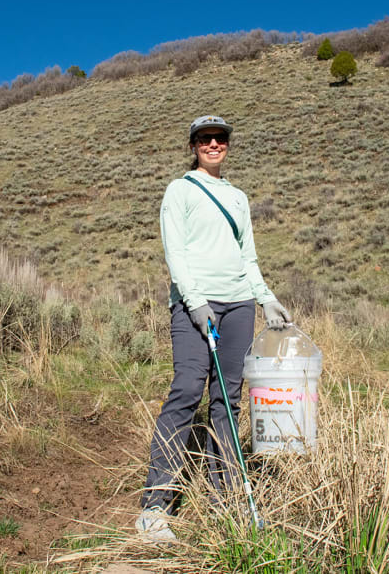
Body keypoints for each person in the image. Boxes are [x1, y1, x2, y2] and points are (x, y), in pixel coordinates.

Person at [136, 115, 291, 542]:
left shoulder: (238, 197)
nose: (213, 144)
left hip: (239, 304)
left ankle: (225, 498)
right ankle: (156, 503)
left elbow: (248, 258)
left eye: (220, 138)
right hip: (194, 305)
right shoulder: (180, 190)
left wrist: (266, 298)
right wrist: (196, 301)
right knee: (188, 388)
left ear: (227, 145)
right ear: (193, 146)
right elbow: (176, 252)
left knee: (228, 397)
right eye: (205, 138)